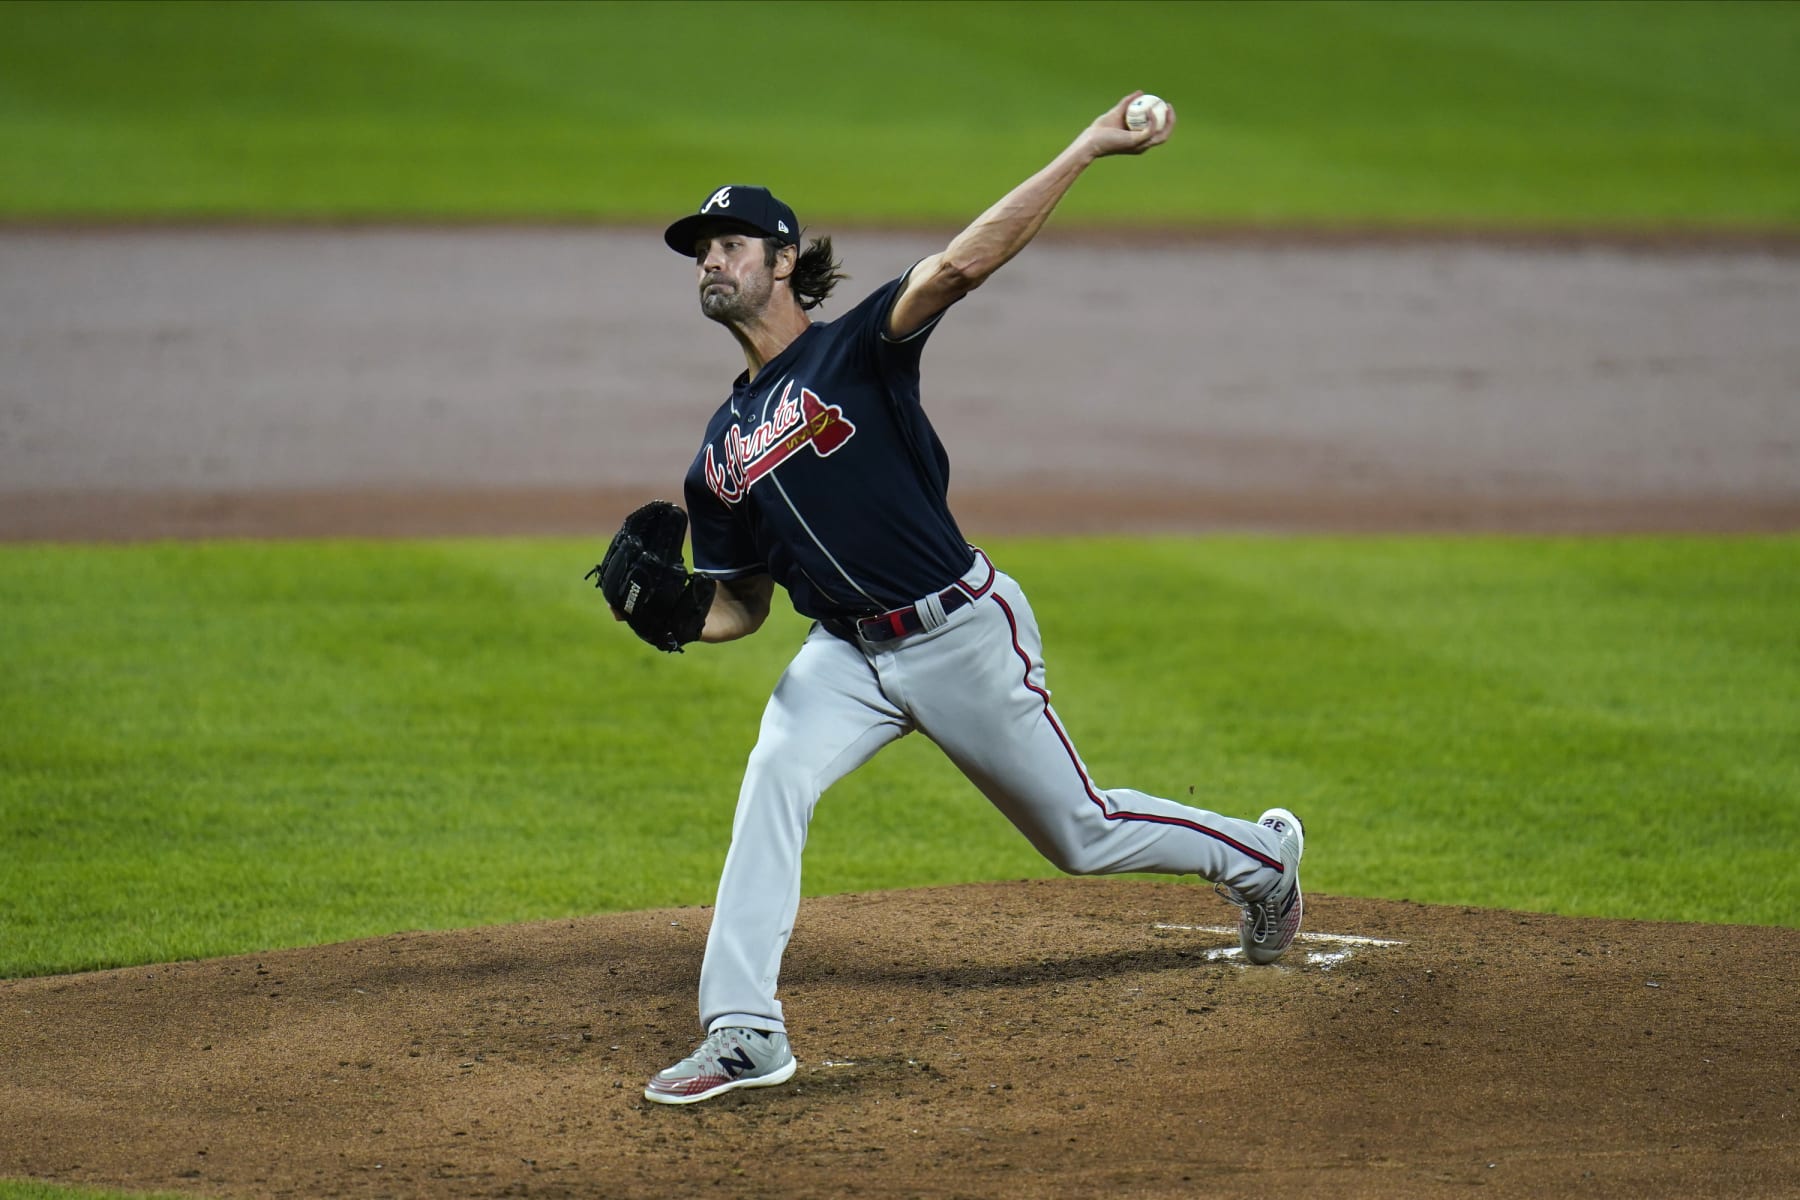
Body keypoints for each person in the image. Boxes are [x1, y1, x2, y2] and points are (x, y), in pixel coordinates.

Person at [626, 93, 1305, 1106]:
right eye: (699, 251)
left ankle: (1263, 860)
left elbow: (959, 266)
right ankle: (744, 1031)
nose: (708, 261)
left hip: (959, 632)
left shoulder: (856, 349)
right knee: (774, 775)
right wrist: (673, 618)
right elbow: (744, 606)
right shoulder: (715, 460)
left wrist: (1082, 148)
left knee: (1079, 834)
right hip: (845, 656)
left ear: (778, 260)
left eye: (728, 244)